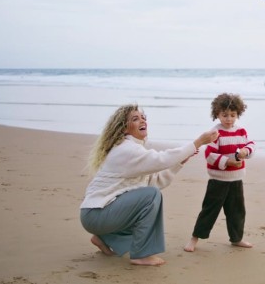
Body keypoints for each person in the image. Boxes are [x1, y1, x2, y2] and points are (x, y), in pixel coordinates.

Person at [80, 104, 218, 266]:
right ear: (124, 128)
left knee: (150, 194)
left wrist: (179, 162)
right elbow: (161, 160)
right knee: (151, 196)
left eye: (143, 117)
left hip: (98, 215)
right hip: (97, 214)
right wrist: (198, 142)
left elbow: (155, 182)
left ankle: (104, 238)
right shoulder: (127, 150)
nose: (142, 120)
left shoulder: (133, 150)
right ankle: (141, 255)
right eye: (135, 119)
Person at [184, 93, 255, 252]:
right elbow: (209, 155)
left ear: (238, 114)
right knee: (209, 210)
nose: (228, 119)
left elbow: (251, 145)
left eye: (232, 115)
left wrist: (245, 150)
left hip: (236, 179)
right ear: (217, 114)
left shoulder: (241, 131)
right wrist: (227, 161)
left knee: (237, 212)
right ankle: (194, 238)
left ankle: (237, 238)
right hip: (218, 180)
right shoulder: (215, 133)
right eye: (224, 115)